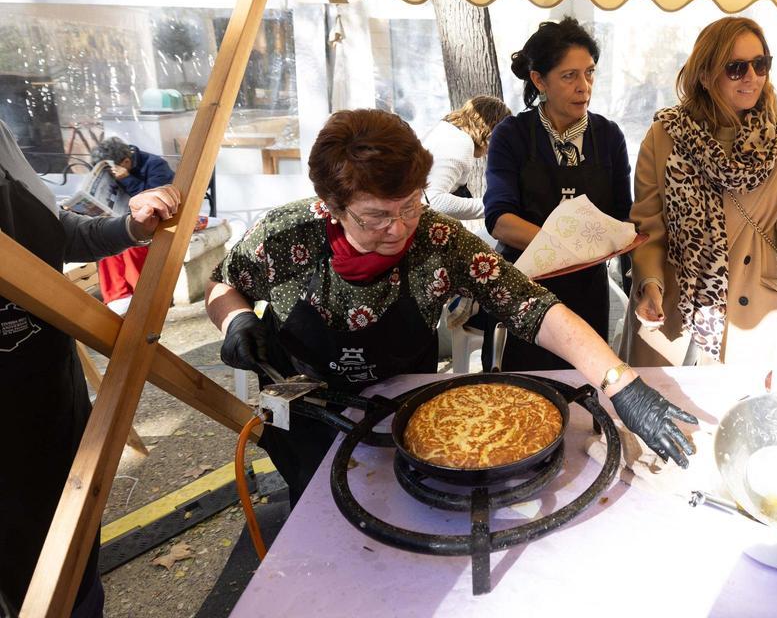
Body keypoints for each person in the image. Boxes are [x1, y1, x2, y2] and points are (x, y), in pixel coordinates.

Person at [207, 109, 694, 503]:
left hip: (406, 414)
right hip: (307, 409)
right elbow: (222, 283)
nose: (398, 229)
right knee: (316, 519)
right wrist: (236, 320)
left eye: (410, 206)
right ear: (333, 205)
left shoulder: (439, 240)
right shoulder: (284, 235)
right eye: (376, 216)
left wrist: (620, 383)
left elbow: (533, 306)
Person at [0, 120, 180, 617]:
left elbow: (56, 236)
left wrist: (131, 226)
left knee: (69, 545)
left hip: (46, 383)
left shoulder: (2, 135)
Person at [628, 16, 777, 367]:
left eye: (760, 64)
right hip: (671, 303)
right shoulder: (665, 136)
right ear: (705, 75)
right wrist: (649, 283)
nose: (752, 76)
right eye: (735, 68)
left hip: (752, 309)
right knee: (661, 411)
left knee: (739, 415)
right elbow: (649, 229)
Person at [483, 18, 632, 371]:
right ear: (539, 80)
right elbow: (500, 220)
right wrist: (567, 248)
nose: (584, 87)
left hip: (587, 291)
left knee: (581, 390)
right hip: (523, 286)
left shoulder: (608, 137)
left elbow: (624, 215)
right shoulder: (513, 134)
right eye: (569, 76)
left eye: (590, 73)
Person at [89, 137, 176, 314]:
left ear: (126, 162)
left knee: (129, 239)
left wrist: (127, 179)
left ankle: (144, 297)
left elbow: (158, 204)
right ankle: (118, 297)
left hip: (159, 220)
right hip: (124, 217)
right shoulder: (117, 169)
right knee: (103, 236)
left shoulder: (156, 165)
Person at [422, 95, 511, 221]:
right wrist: (496, 205)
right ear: (490, 129)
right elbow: (434, 201)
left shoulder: (446, 130)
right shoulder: (460, 143)